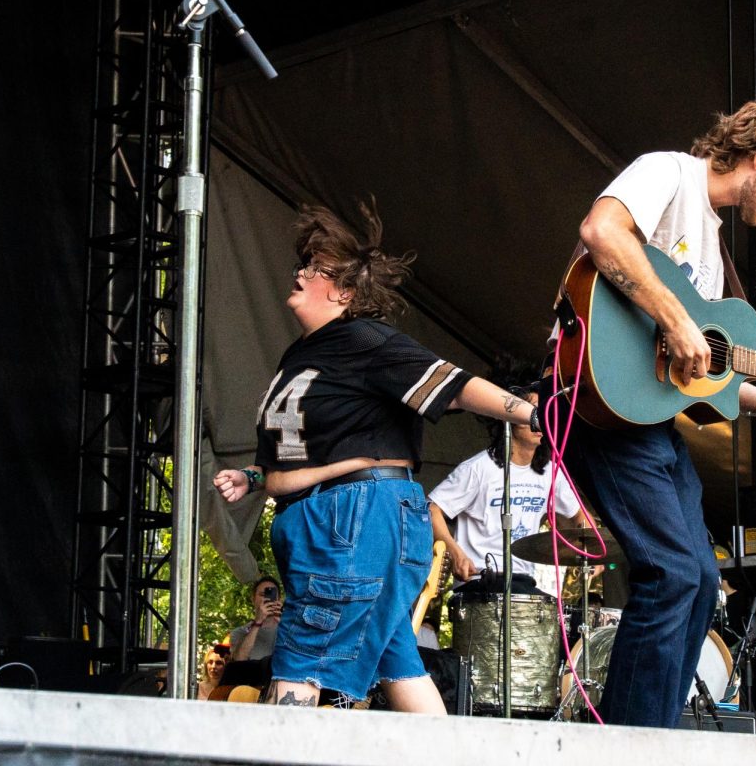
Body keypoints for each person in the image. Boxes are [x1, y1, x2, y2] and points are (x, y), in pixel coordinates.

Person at [540, 98, 756, 728]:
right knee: (672, 571)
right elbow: (602, 233)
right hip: (595, 402)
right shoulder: (669, 174)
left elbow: (703, 376)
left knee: (703, 580)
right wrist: (677, 319)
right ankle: (638, 742)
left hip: (646, 416)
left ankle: (653, 727)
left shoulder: (713, 243)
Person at [213, 202, 545, 714]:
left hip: (354, 522)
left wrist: (526, 412)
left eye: (315, 268)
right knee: (399, 661)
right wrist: (254, 476)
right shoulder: (298, 355)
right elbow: (306, 450)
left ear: (344, 292)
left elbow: (451, 386)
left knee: (302, 656)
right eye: (302, 263)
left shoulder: (363, 340)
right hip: (332, 521)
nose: (300, 273)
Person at [428, 388, 588, 594]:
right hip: (479, 580)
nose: (539, 420)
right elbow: (432, 509)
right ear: (510, 418)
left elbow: (580, 517)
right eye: (532, 412)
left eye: (544, 413)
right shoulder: (479, 468)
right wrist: (455, 553)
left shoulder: (551, 473)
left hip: (522, 581)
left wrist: (591, 548)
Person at [228, 575, 283, 663]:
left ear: (279, 599)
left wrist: (285, 627)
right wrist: (257, 623)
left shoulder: (291, 629)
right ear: (253, 599)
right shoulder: (239, 633)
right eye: (262, 594)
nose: (266, 599)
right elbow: (238, 661)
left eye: (271, 594)